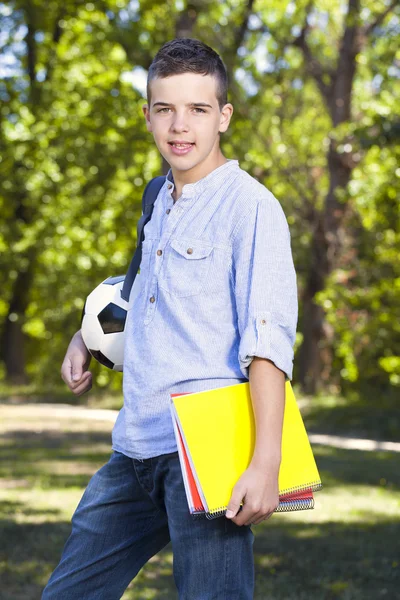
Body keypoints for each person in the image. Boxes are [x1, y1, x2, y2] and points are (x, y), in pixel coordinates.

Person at [42, 38, 298, 599]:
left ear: (224, 116)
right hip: (135, 447)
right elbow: (141, 293)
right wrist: (84, 338)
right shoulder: (157, 197)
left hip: (207, 456)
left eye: (199, 110)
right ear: (148, 115)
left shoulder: (251, 208)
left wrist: (265, 464)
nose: (180, 126)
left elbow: (268, 341)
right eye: (165, 109)